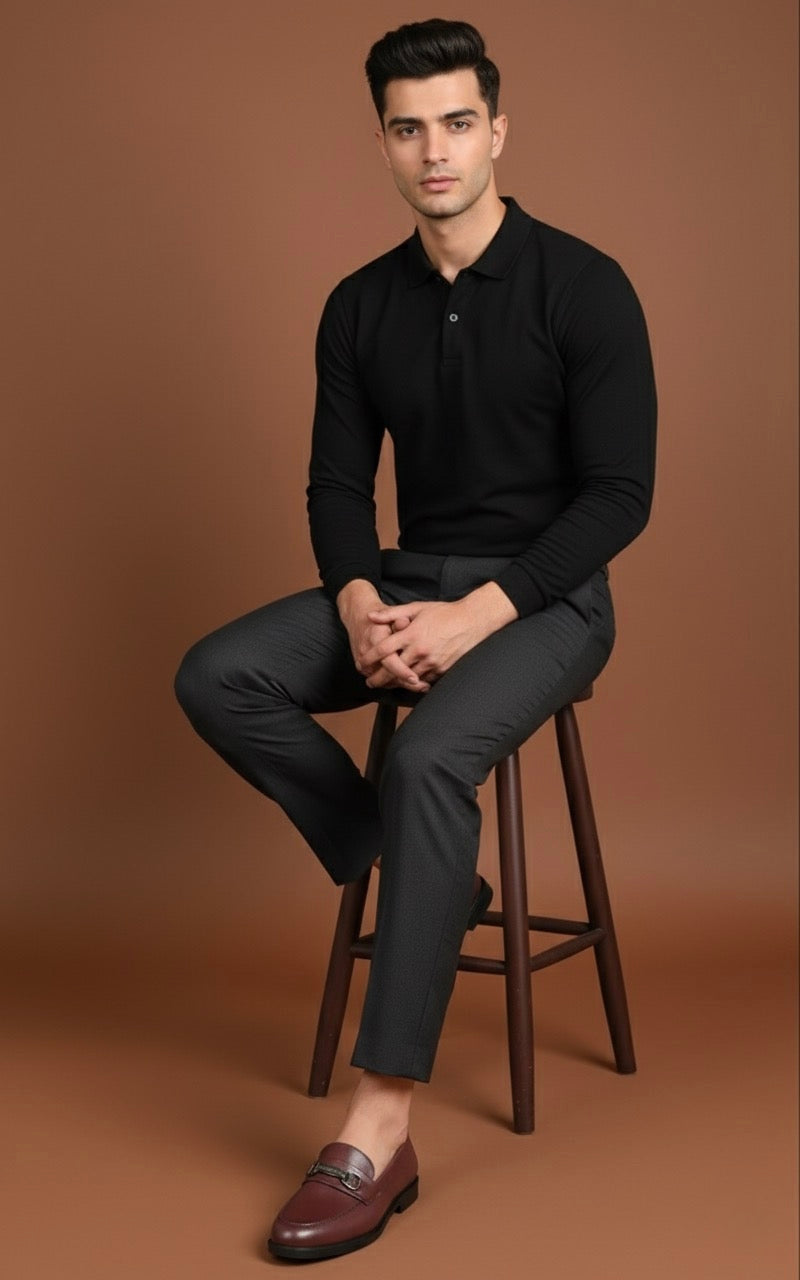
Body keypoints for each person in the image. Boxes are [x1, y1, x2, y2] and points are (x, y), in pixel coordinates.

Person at [174, 17, 657, 1263]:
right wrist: (357, 606)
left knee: (433, 754)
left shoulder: (582, 285)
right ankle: (417, 871)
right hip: (402, 583)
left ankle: (379, 1125)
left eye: (455, 123)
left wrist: (476, 613)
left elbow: (619, 495)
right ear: (382, 144)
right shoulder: (358, 305)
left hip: (548, 603)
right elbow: (337, 486)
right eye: (407, 128)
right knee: (219, 674)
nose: (433, 150)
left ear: (496, 131)